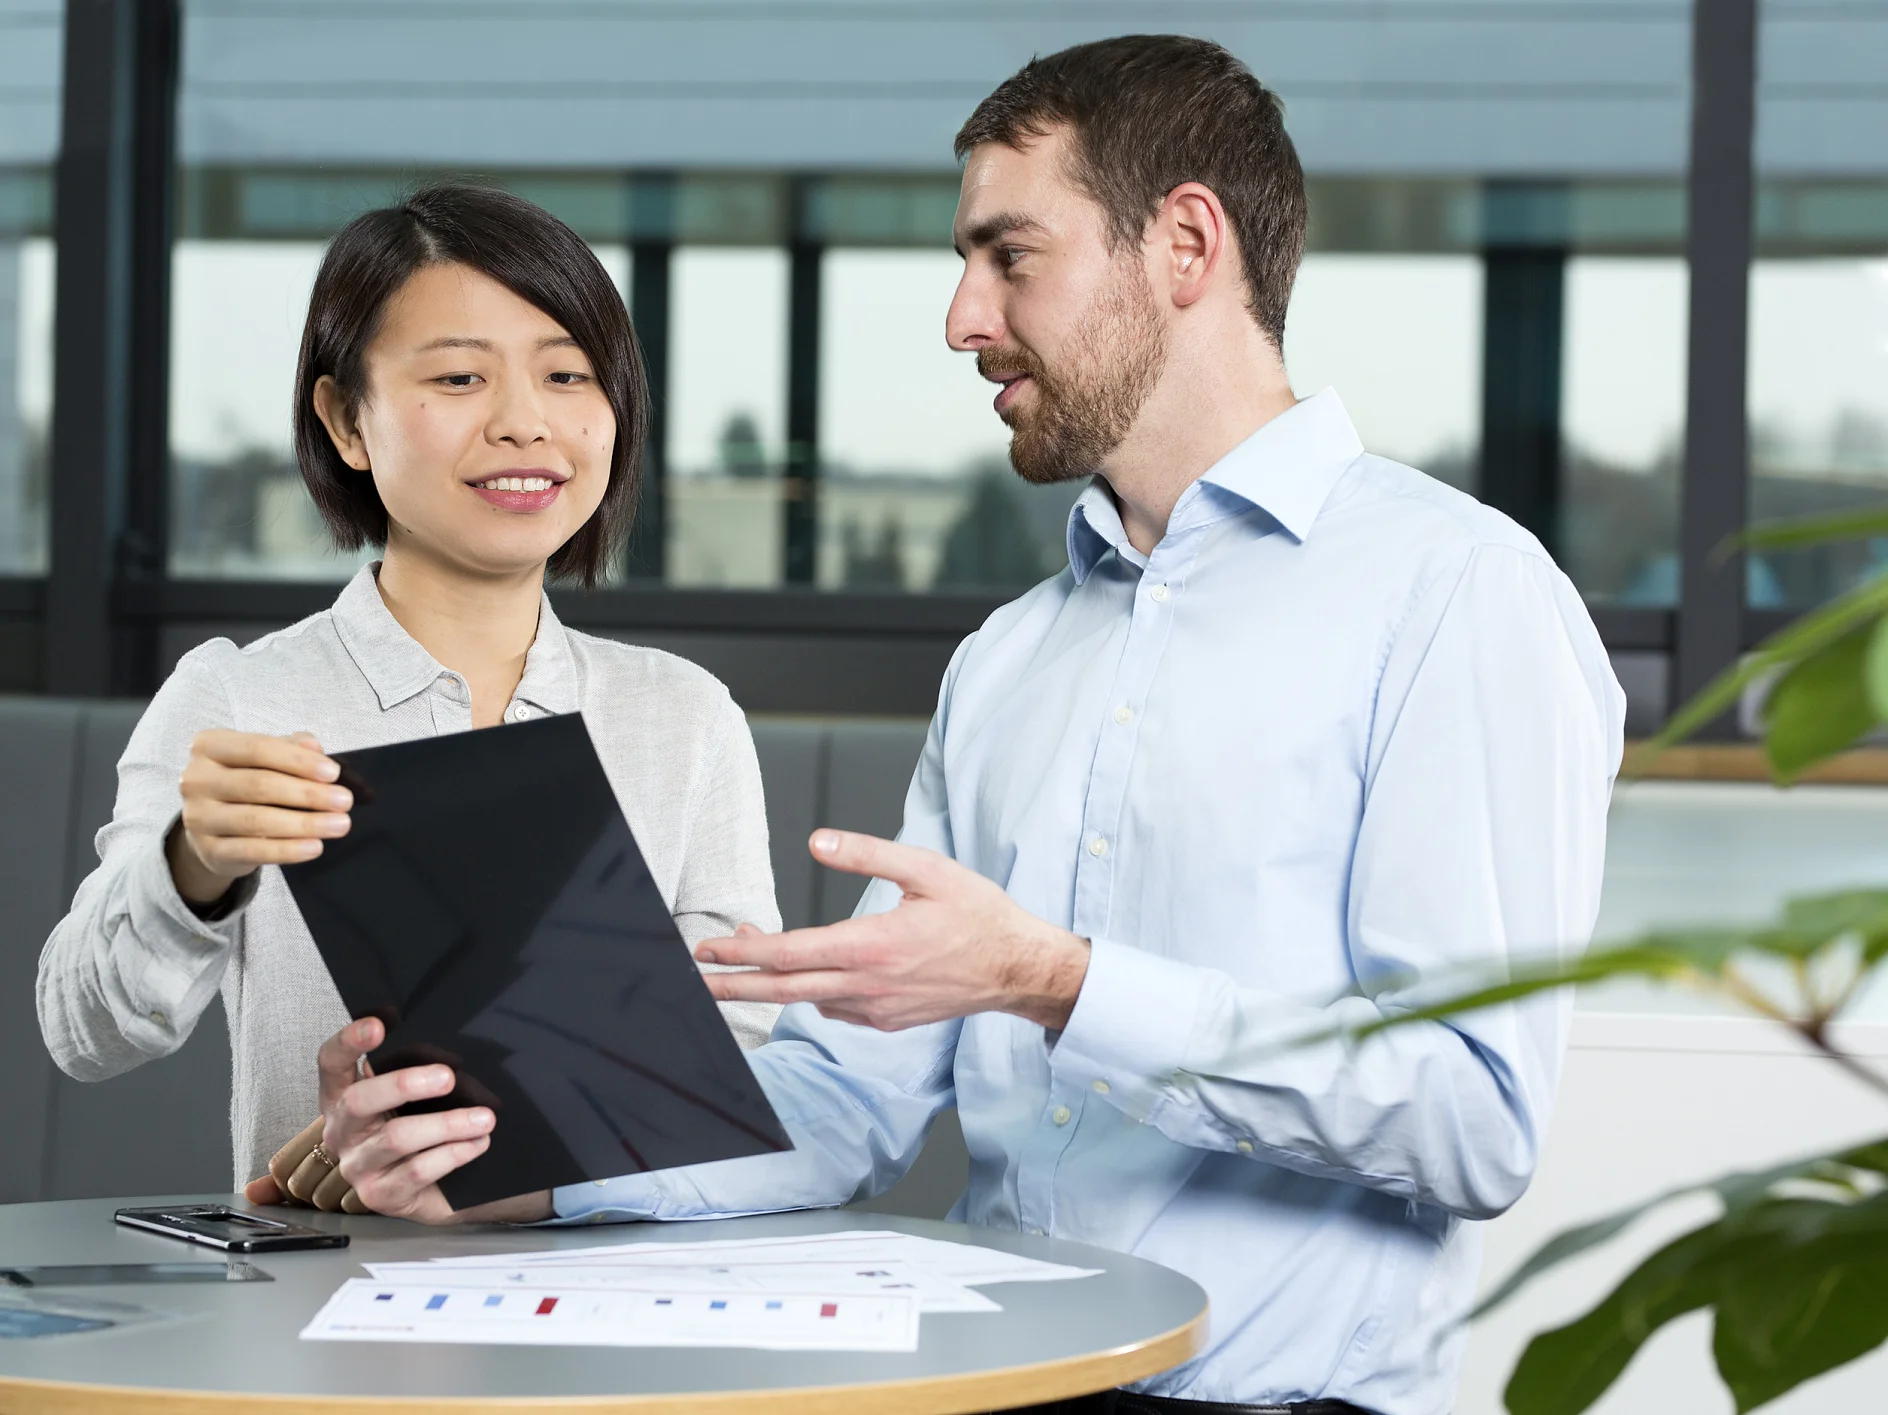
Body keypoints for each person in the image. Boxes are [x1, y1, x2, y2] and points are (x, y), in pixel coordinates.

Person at [310, 35, 1625, 1414]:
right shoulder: (1010, 659)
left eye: (1010, 256)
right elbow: (852, 1100)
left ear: (1184, 242)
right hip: (994, 1389)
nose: (960, 317)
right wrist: (533, 1166)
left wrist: (1058, 981)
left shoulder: (1455, 592)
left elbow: (1473, 1116)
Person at [36, 185, 780, 1221]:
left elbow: (745, 1059)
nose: (525, 421)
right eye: (461, 376)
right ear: (345, 419)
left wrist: (493, 1175)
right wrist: (193, 863)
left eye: (568, 374)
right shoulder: (242, 695)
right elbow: (86, 1028)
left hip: (612, 1310)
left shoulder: (680, 714)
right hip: (316, 1317)